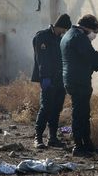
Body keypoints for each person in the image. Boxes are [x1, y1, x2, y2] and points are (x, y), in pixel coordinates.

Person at [60, 14, 98, 157]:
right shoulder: (79, 37)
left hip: (74, 79)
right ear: (87, 28)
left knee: (84, 113)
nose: (94, 36)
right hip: (78, 81)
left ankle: (87, 144)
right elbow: (92, 55)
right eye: (95, 32)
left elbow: (83, 58)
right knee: (80, 115)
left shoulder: (70, 34)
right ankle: (78, 147)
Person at [31, 14, 72, 149]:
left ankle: (52, 138)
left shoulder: (60, 39)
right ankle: (38, 138)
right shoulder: (42, 37)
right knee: (46, 108)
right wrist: (45, 77)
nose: (64, 33)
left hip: (60, 79)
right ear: (59, 26)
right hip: (48, 79)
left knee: (56, 109)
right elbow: (41, 60)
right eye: (64, 30)